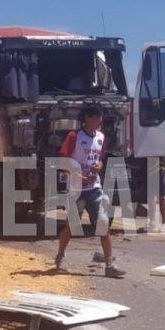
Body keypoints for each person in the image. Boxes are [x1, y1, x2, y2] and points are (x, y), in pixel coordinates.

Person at [53, 106, 124, 278]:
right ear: (87, 118)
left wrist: (98, 166)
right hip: (76, 190)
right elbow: (63, 161)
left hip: (94, 189)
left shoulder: (100, 138)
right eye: (96, 117)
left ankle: (109, 265)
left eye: (100, 118)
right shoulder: (74, 136)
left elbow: (100, 159)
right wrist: (77, 175)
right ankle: (60, 257)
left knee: (103, 225)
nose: (100, 121)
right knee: (72, 226)